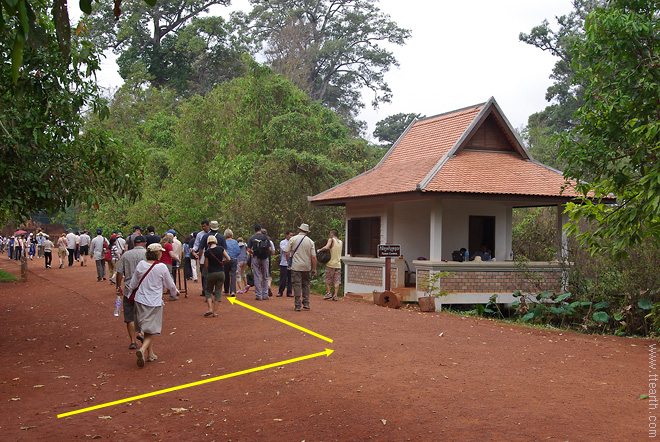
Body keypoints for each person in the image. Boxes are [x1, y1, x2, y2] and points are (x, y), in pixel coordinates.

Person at [129, 243, 178, 367]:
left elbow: (133, 283)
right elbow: (170, 284)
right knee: (153, 329)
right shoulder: (161, 267)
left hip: (140, 300)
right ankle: (143, 349)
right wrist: (175, 292)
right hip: (154, 301)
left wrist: (129, 294)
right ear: (157, 253)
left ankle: (150, 354)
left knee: (146, 327)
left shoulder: (141, 264)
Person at [116, 235, 147, 350]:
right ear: (144, 243)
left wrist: (118, 286)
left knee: (129, 316)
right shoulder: (147, 254)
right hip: (144, 289)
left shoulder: (126, 255)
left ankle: (133, 341)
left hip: (129, 289)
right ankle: (142, 333)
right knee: (144, 313)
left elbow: (119, 272)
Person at [284, 223, 317, 311]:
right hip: (306, 266)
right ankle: (306, 303)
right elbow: (313, 257)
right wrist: (314, 269)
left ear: (299, 230)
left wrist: (288, 263)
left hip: (296, 266)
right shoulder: (310, 242)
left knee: (297, 285)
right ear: (307, 232)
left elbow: (287, 252)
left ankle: (297, 304)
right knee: (306, 284)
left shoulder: (293, 239)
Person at [204, 235, 230, 317]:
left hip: (211, 272)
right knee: (218, 292)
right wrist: (223, 263)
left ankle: (210, 309)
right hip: (221, 273)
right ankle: (215, 312)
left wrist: (209, 269)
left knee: (208, 290)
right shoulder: (221, 249)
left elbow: (206, 265)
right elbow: (228, 258)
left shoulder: (207, 252)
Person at [247, 223, 271, 301]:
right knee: (265, 276)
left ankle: (258, 295)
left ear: (254, 230)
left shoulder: (252, 238)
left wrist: (253, 252)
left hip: (256, 257)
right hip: (265, 258)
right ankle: (265, 294)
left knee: (257, 276)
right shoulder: (266, 237)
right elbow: (270, 248)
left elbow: (249, 249)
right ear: (261, 229)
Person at [319, 229, 343, 301]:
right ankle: (335, 295)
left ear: (332, 234)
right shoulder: (341, 242)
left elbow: (326, 247)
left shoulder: (331, 240)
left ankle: (328, 293)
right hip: (338, 264)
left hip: (330, 263)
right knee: (337, 280)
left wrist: (320, 250)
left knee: (327, 279)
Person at [192, 220, 211, 295]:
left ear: (208, 225)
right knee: (203, 272)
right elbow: (197, 244)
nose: (203, 228)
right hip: (202, 254)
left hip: (212, 254)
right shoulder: (200, 235)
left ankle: (210, 288)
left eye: (204, 226)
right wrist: (193, 249)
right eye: (202, 226)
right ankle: (204, 289)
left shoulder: (213, 234)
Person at [158, 235, 179, 301]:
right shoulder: (168, 245)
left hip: (159, 263)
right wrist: (178, 259)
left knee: (160, 279)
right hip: (167, 263)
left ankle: (159, 296)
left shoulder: (160, 245)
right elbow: (171, 255)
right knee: (170, 279)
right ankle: (173, 295)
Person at [223, 229, 240, 297]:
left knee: (226, 275)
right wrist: (234, 256)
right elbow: (238, 251)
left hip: (226, 260)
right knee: (233, 275)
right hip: (234, 260)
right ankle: (233, 291)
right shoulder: (235, 242)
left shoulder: (224, 242)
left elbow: (222, 250)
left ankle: (226, 290)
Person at [278, 230, 294, 297]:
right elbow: (285, 250)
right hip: (284, 262)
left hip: (292, 262)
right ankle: (280, 291)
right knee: (283, 278)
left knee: (290, 278)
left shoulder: (294, 242)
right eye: (290, 235)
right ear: (286, 235)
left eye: (292, 235)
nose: (291, 236)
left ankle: (289, 292)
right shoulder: (283, 242)